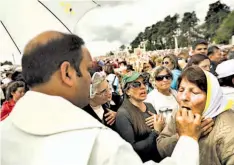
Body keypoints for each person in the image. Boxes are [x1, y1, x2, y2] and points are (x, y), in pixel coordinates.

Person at [1, 31, 201, 165]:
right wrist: (189, 139)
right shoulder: (95, 143)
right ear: (67, 73)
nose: (91, 79)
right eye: (88, 69)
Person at [157, 66, 234, 165]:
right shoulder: (180, 111)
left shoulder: (229, 131)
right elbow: (161, 148)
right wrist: (184, 136)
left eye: (194, 92)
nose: (184, 97)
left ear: (211, 97)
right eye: (181, 90)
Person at [115, 71, 165, 162]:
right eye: (136, 84)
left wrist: (162, 123)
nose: (143, 87)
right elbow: (132, 149)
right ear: (127, 91)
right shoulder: (123, 114)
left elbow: (161, 137)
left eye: (144, 83)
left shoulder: (149, 106)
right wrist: (156, 132)